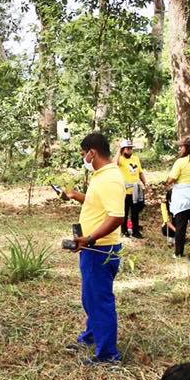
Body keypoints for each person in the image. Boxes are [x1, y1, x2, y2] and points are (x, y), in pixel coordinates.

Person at [60, 133, 127, 365]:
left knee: (99, 299)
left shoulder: (110, 178)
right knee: (90, 298)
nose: (84, 159)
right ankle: (91, 335)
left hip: (100, 250)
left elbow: (117, 216)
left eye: (84, 154)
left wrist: (89, 239)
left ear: (92, 152)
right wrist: (75, 195)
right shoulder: (101, 175)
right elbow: (97, 202)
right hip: (91, 249)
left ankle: (108, 354)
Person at [116, 139, 148, 239]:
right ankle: (124, 230)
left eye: (131, 148)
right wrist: (119, 150)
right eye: (127, 148)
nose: (130, 150)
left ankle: (135, 231)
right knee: (124, 212)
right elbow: (113, 162)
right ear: (123, 149)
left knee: (135, 212)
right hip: (124, 191)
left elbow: (140, 172)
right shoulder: (120, 159)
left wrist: (145, 183)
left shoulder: (135, 159)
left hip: (135, 190)